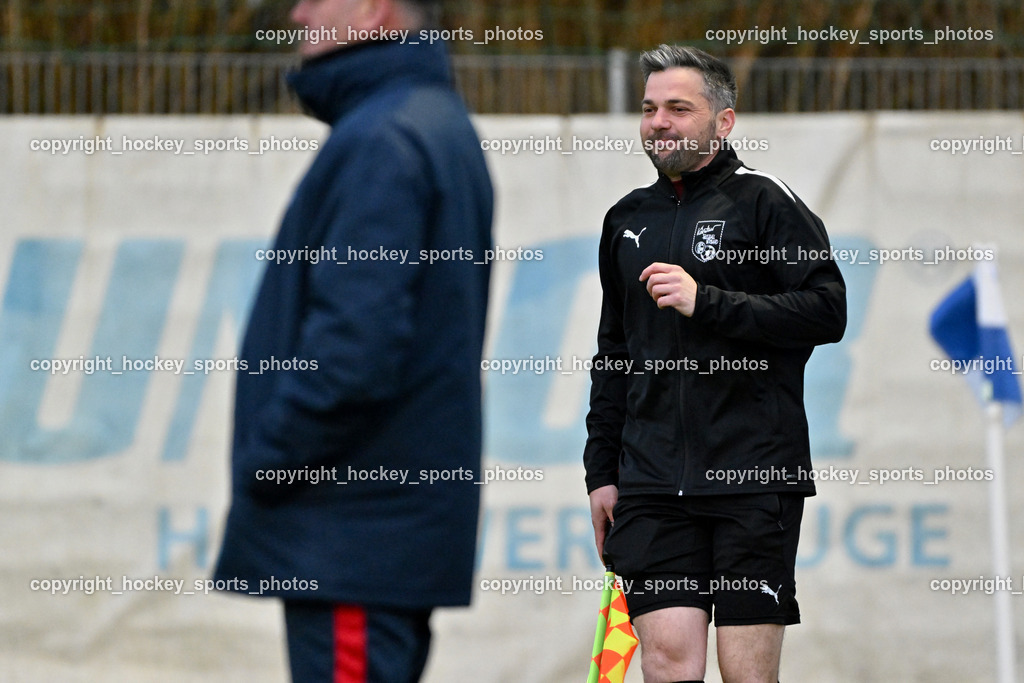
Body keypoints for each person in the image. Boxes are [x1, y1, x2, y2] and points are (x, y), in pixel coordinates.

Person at [213, 1, 493, 681]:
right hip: (371, 533)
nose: (299, 11)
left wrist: (269, 458)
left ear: (372, 11)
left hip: (353, 530)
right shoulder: (425, 123)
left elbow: (353, 353)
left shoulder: (383, 139)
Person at [584, 45, 846, 683]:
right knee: (669, 661)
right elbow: (614, 355)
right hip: (649, 483)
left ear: (723, 122)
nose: (659, 122)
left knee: (743, 672)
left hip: (752, 476)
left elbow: (825, 311)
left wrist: (710, 302)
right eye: (649, 109)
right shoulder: (626, 220)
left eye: (678, 108)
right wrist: (601, 471)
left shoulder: (764, 202)